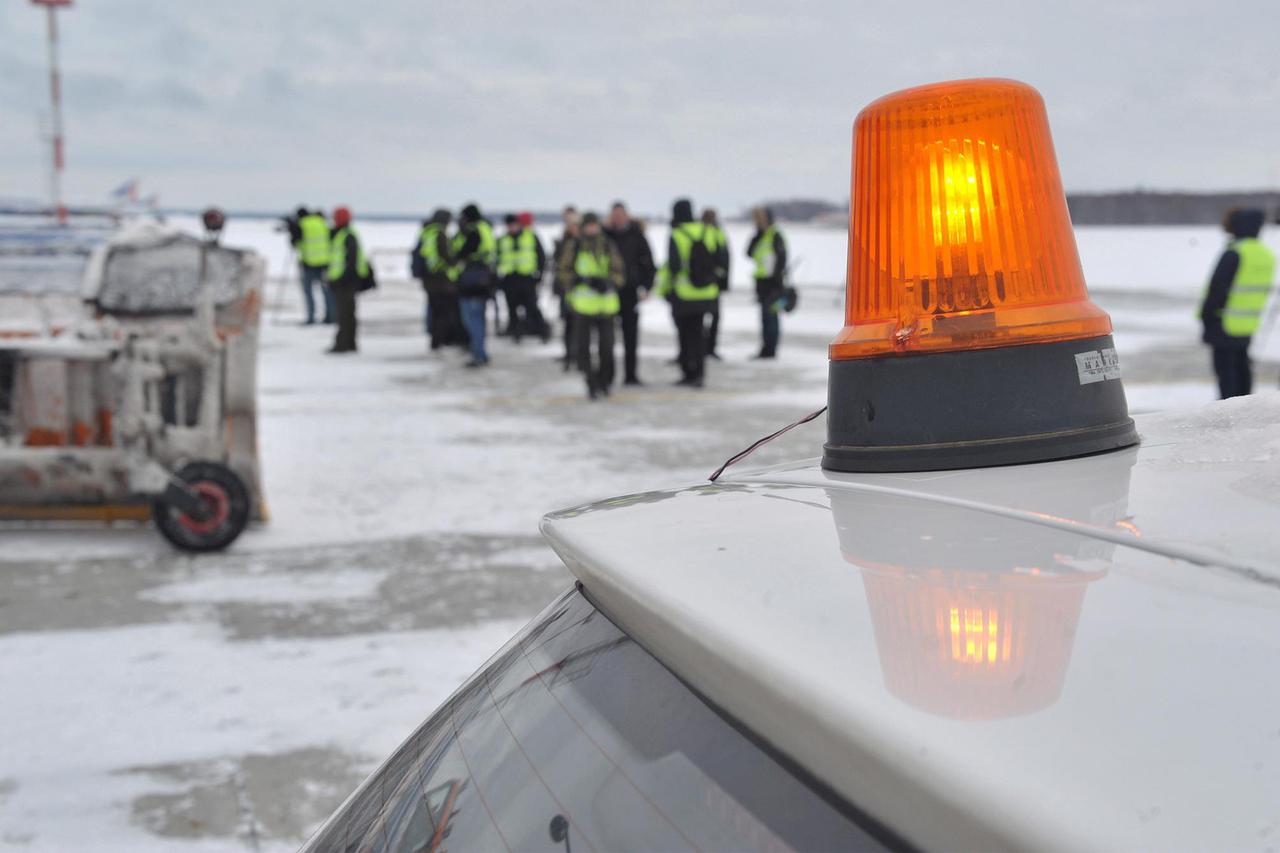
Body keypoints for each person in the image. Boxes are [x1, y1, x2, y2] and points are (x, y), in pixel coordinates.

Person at [1199, 208, 1276, 399]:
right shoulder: (1265, 255)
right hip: (1249, 322)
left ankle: (1229, 415)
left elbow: (1217, 289)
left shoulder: (1235, 253)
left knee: (1227, 374)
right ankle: (1245, 407)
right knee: (1242, 367)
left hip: (1223, 321)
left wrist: (1207, 317)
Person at [559, 212, 624, 399]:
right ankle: (591, 382)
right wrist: (579, 280)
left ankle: (605, 381)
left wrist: (609, 282)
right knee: (583, 348)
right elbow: (563, 272)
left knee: (607, 348)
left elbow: (619, 272)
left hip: (606, 306)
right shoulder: (575, 246)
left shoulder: (607, 245)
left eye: (595, 225)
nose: (592, 229)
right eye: (589, 225)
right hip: (583, 307)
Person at [656, 199, 719, 387]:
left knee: (684, 334)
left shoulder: (676, 234)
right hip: (706, 292)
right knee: (699, 334)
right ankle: (700, 372)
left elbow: (673, 267)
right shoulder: (708, 231)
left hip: (684, 293)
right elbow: (719, 258)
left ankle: (688, 371)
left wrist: (665, 289)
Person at [604, 201, 656, 385]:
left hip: (630, 292)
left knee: (631, 336)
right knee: (607, 337)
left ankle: (631, 375)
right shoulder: (605, 236)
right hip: (608, 293)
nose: (618, 218)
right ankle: (607, 375)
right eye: (614, 215)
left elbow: (648, 264)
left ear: (626, 215)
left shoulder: (636, 235)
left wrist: (646, 287)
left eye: (621, 214)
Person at [453, 203, 497, 367]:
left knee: (473, 319)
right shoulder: (486, 229)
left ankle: (478, 353)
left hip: (473, 280)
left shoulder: (473, 231)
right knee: (478, 318)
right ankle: (480, 352)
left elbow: (462, 253)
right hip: (483, 279)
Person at [412, 208, 463, 350]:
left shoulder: (427, 232)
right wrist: (457, 262)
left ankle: (436, 339)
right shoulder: (439, 234)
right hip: (440, 279)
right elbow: (445, 256)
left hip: (429, 279)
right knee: (443, 312)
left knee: (435, 311)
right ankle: (440, 340)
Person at [497, 212, 549, 342]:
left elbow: (541, 257)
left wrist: (539, 275)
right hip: (509, 278)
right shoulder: (502, 240)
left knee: (532, 307)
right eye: (509, 225)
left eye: (514, 225)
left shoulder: (530, 236)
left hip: (527, 278)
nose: (512, 228)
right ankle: (516, 333)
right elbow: (496, 259)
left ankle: (543, 332)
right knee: (512, 308)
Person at [326, 205, 369, 354]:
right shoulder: (343, 234)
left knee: (344, 314)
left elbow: (351, 260)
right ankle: (348, 343)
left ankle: (343, 343)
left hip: (345, 282)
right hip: (344, 280)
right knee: (347, 314)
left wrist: (343, 278)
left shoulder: (347, 236)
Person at [747, 206, 788, 359]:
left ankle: (770, 349)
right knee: (765, 317)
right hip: (761, 282)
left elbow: (782, 259)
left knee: (771, 315)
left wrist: (778, 280)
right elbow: (749, 252)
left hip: (773, 283)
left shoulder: (775, 235)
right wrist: (758, 234)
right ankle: (766, 347)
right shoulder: (761, 236)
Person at [552, 206, 580, 371]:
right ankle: (569, 354)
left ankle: (576, 354)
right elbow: (559, 267)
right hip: (566, 289)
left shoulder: (584, 243)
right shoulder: (563, 241)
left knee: (579, 326)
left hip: (581, 292)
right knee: (568, 324)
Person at [701, 208, 729, 359]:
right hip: (706, 283)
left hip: (714, 283)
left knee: (714, 316)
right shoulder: (703, 233)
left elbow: (724, 258)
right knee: (703, 317)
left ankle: (710, 346)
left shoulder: (718, 233)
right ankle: (706, 345)